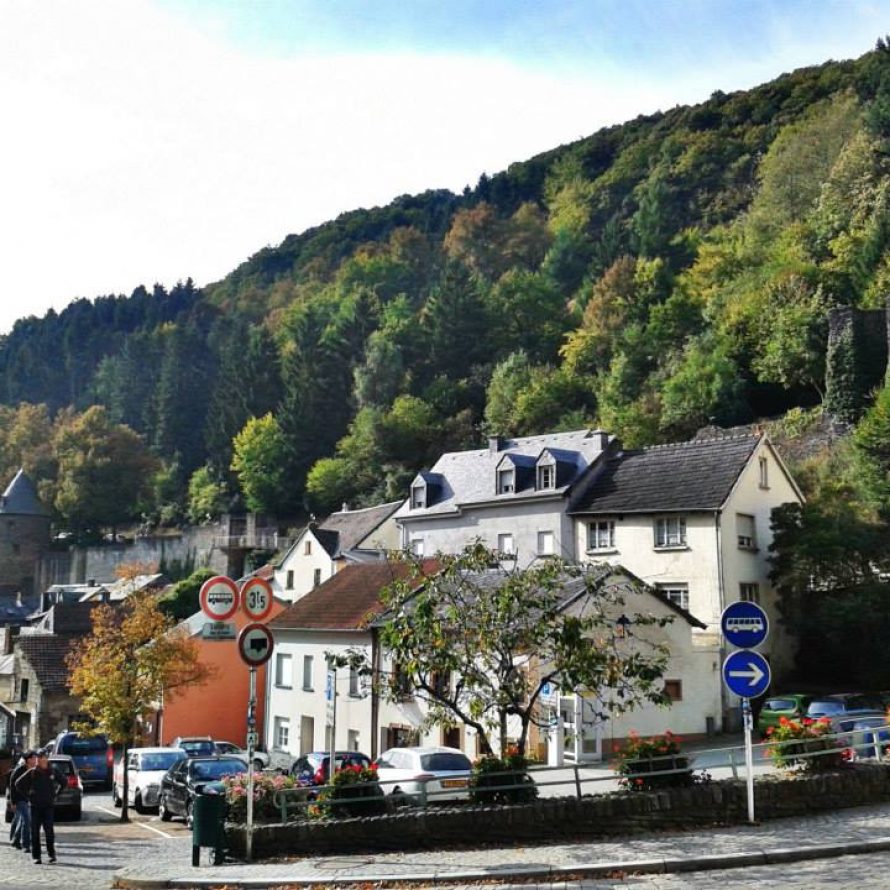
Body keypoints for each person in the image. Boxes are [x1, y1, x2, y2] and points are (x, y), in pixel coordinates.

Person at [14, 749, 64, 864]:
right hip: (35, 807)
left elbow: (64, 782)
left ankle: (51, 854)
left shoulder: (53, 771)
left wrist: (56, 794)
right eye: (39, 757)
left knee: (49, 831)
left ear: (47, 758)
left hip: (48, 806)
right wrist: (28, 796)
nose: (41, 760)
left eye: (43, 757)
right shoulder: (33, 772)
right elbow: (18, 784)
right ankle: (36, 856)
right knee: (35, 832)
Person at [7, 750, 36, 852]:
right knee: (27, 820)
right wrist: (13, 802)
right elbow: (12, 786)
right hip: (19, 799)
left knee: (23, 820)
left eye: (35, 758)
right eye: (33, 758)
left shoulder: (34, 770)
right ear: (28, 760)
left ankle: (15, 840)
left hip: (28, 798)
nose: (35, 760)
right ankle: (26, 845)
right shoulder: (19, 770)